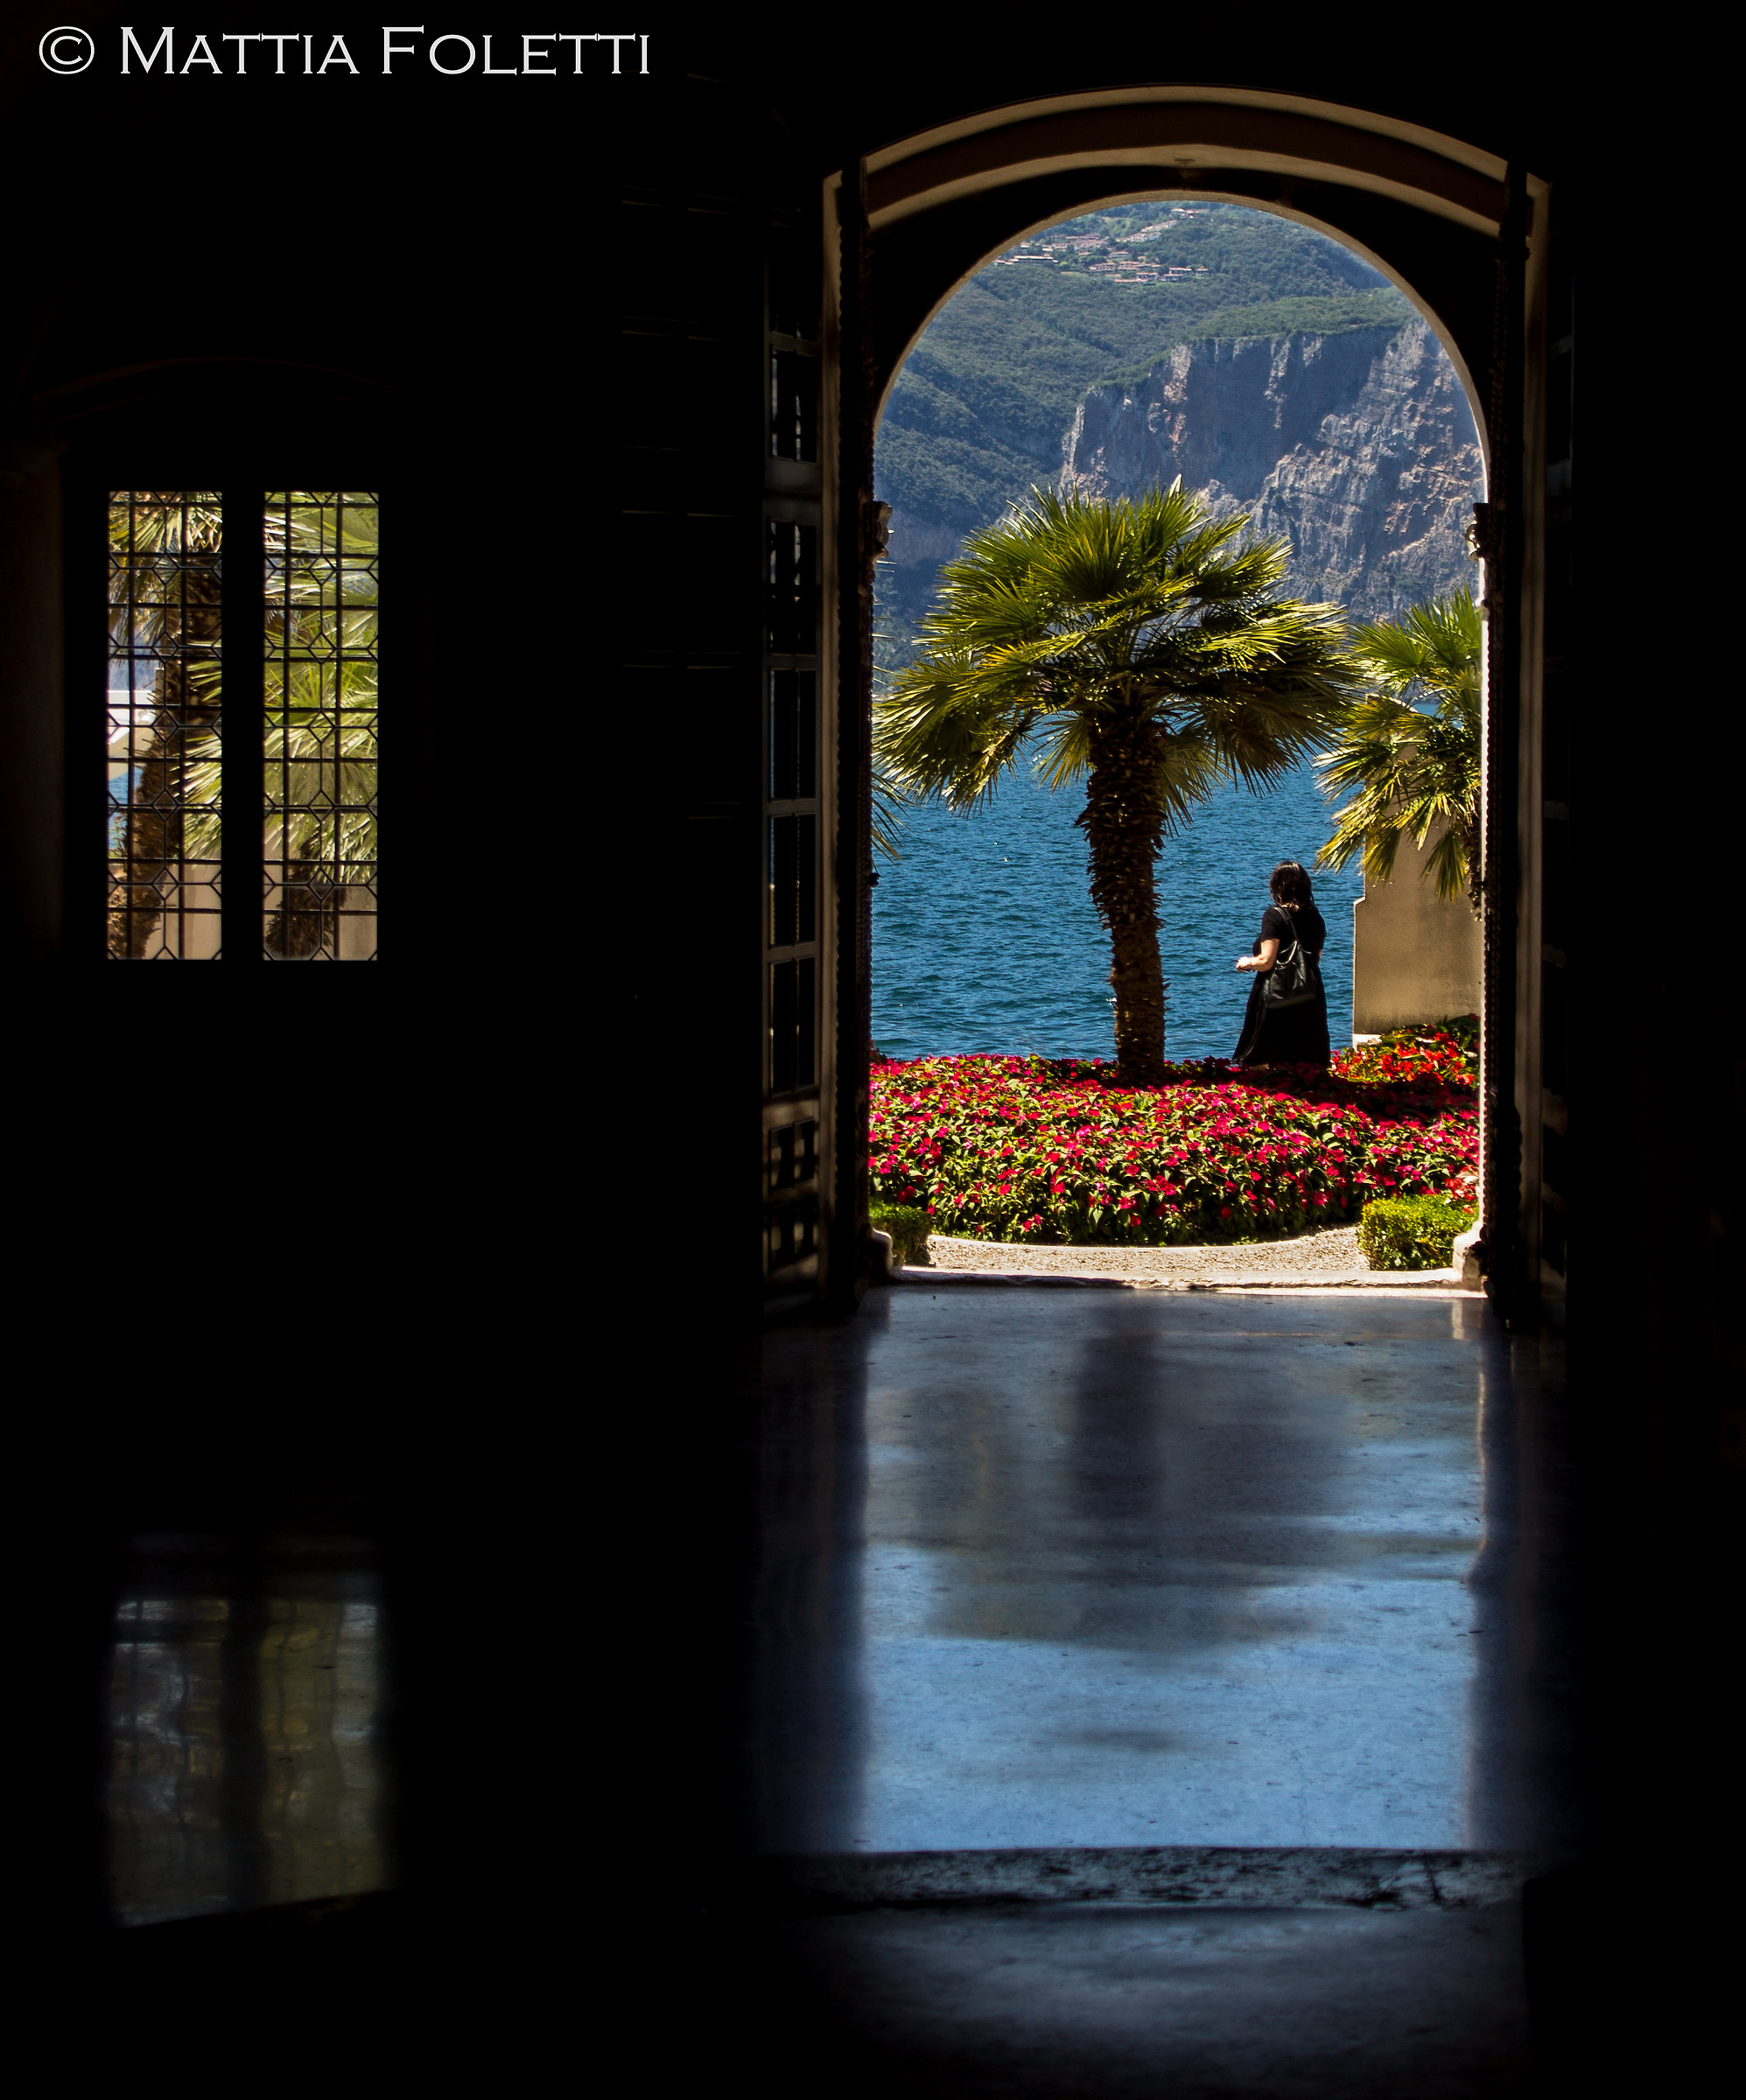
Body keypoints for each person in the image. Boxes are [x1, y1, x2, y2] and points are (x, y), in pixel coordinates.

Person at [1231, 860, 1330, 1068]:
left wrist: (1246, 963)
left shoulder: (1274, 916)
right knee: (1305, 1063)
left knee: (1261, 1058)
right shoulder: (1316, 916)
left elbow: (1267, 961)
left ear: (1277, 886)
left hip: (1277, 997)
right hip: (1310, 993)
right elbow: (1316, 957)